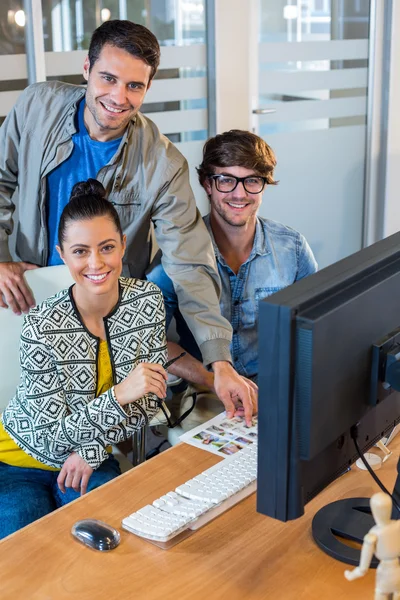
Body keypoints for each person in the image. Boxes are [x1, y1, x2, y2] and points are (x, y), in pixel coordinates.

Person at [0, 20, 255, 425]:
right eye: (108, 78)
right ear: (86, 68)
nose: (119, 97)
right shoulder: (36, 107)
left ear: (148, 88)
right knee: (24, 417)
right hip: (30, 295)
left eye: (134, 86)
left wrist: (219, 360)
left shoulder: (163, 164)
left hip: (104, 313)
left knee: (95, 437)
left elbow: (189, 263)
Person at [0, 179, 167, 539]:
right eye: (80, 251)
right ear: (62, 254)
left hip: (88, 454)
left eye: (107, 247)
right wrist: (120, 395)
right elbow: (50, 439)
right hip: (17, 458)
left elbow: (149, 400)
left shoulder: (148, 302)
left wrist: (91, 450)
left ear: (123, 245)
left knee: (115, 541)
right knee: (24, 559)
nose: (96, 263)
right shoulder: (41, 326)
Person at [147, 130, 318, 428]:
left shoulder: (293, 248)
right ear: (206, 184)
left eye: (252, 180)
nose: (240, 194)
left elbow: (317, 326)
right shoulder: (178, 255)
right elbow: (148, 338)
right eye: (226, 180)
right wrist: (215, 378)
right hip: (206, 390)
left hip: (275, 388)